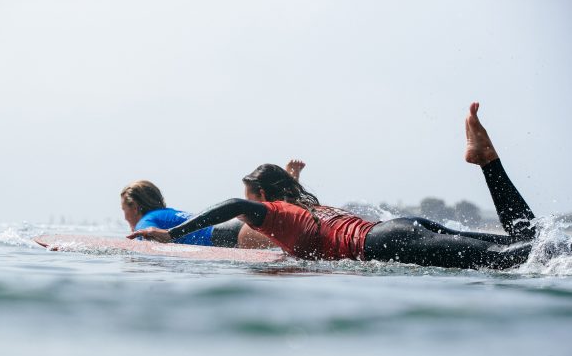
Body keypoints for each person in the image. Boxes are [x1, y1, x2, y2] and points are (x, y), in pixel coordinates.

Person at [128, 103, 553, 270]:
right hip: (398, 228)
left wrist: (172, 234)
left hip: (386, 246)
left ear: (262, 199)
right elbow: (292, 213)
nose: (244, 214)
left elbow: (230, 204)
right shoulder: (305, 208)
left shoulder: (275, 214)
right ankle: (487, 163)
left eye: (250, 203)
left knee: (519, 257)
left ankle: (488, 161)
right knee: (527, 248)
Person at [121, 159, 306, 248]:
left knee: (291, 229)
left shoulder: (145, 222)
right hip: (231, 227)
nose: (124, 215)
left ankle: (290, 185)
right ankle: (290, 184)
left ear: (135, 207)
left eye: (124, 208)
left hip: (226, 235)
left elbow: (143, 247)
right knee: (287, 221)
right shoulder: (165, 214)